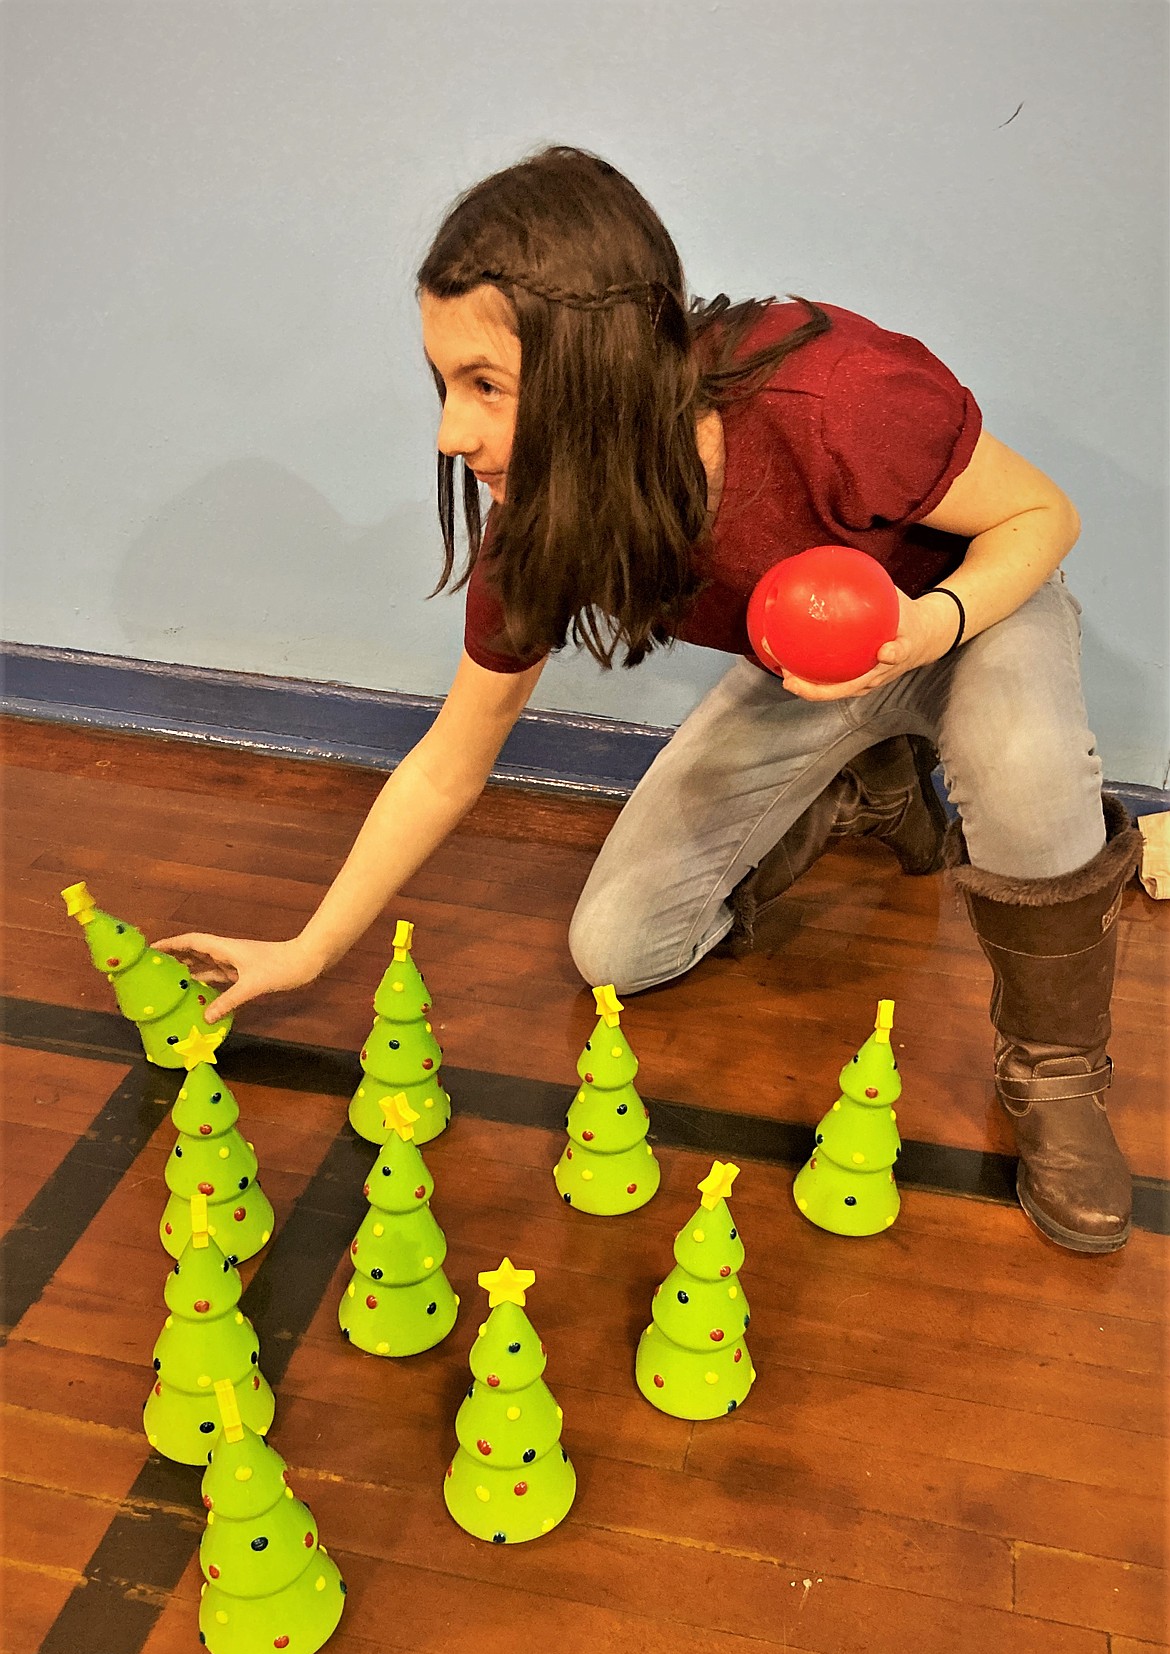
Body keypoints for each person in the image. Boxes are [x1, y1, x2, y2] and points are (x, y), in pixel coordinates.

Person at [158, 145, 1140, 1255]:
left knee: (1026, 762)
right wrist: (310, 948)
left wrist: (931, 627)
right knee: (617, 947)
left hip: (967, 615)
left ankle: (1058, 1075)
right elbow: (450, 758)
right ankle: (868, 786)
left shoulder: (834, 397)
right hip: (813, 680)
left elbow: (1040, 517)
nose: (449, 432)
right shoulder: (547, 517)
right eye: (442, 384)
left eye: (485, 386)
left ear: (596, 367)